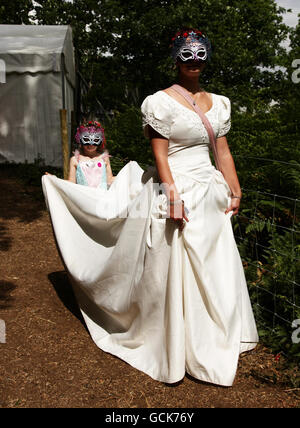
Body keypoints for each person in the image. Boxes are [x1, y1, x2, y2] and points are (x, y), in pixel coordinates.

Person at [42, 28, 258, 387]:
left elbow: (222, 151)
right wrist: (172, 196)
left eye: (200, 55)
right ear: (175, 58)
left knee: (215, 263)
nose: (194, 62)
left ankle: (216, 336)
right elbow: (160, 155)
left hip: (211, 192)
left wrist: (235, 189)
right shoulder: (158, 102)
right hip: (177, 187)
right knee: (174, 266)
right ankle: (175, 342)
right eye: (187, 55)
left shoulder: (219, 103)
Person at [46, 120, 114, 189]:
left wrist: (125, 172)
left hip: (102, 197)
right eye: (86, 139)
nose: (90, 144)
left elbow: (110, 180)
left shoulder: (104, 158)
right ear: (80, 139)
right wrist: (54, 180)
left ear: (100, 141)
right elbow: (71, 183)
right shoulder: (75, 160)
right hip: (83, 197)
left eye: (95, 140)